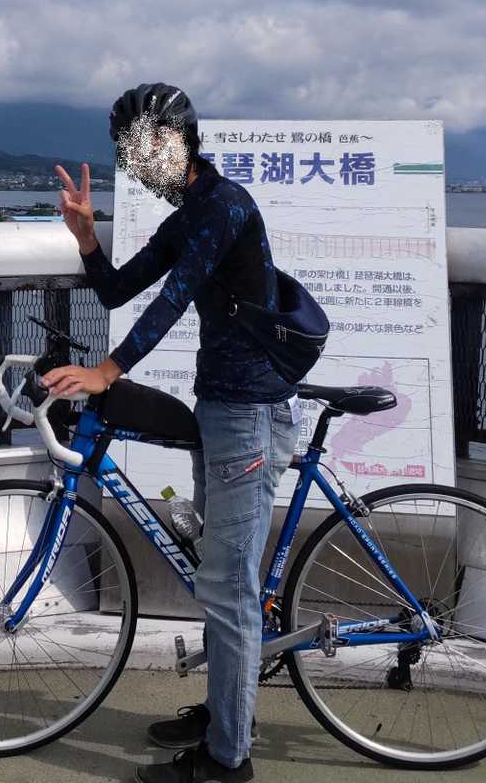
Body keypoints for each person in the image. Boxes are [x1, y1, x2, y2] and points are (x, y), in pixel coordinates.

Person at [43, 82, 296, 783]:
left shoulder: (225, 206)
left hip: (249, 415)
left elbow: (173, 297)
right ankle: (224, 713)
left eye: (147, 143)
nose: (137, 159)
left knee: (230, 589)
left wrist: (107, 371)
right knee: (219, 577)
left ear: (179, 140)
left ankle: (228, 760)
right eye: (129, 149)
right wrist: (87, 237)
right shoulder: (189, 214)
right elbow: (120, 289)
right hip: (221, 409)